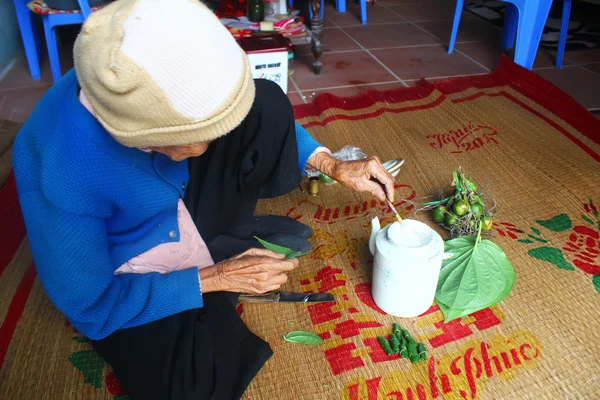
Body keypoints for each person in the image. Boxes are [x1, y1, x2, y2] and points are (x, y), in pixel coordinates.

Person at [12, 0, 395, 399]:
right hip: (132, 260)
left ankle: (219, 241)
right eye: (209, 133)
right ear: (151, 139)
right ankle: (218, 254)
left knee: (265, 104)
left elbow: (240, 111)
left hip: (177, 196)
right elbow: (92, 307)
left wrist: (329, 163)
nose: (222, 138)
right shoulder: (64, 172)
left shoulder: (151, 70)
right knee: (192, 383)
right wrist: (216, 278)